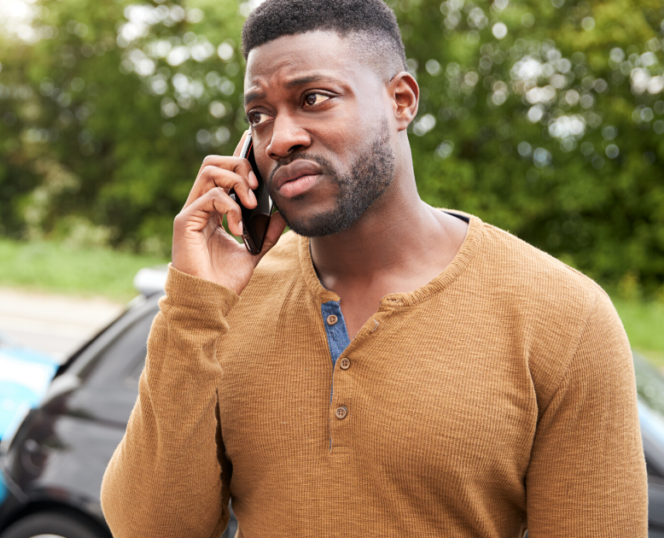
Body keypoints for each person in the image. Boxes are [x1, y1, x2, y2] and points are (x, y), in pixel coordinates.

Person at [101, 0, 647, 535]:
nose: (280, 138)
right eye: (259, 116)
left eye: (313, 98)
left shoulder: (567, 317)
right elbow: (148, 529)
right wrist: (195, 304)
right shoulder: (223, 305)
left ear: (401, 101)